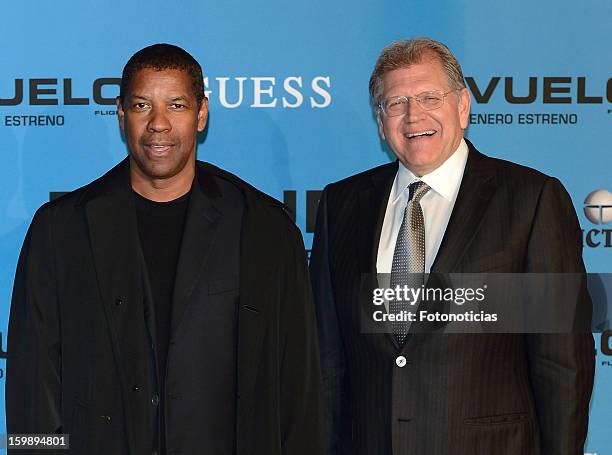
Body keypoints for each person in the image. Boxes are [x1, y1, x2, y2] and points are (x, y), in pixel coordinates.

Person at [6, 43, 323, 455]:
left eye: (176, 105)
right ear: (121, 115)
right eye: (142, 105)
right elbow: (32, 388)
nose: (159, 124)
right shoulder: (60, 230)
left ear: (201, 114)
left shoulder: (263, 229)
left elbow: (299, 389)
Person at [309, 37, 594, 455]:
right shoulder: (342, 203)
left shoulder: (530, 200)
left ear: (462, 106)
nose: (413, 115)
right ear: (381, 119)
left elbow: (560, 364)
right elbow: (328, 361)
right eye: (396, 102)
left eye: (429, 97)